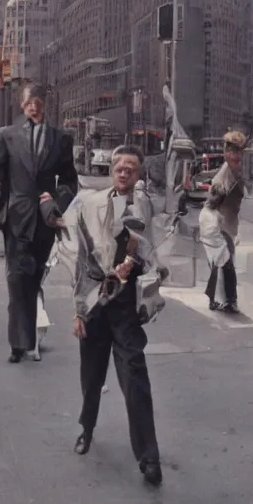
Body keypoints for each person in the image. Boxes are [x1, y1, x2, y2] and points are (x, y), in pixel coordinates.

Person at [70, 146, 163, 486]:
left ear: (139, 174)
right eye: (119, 168)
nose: (124, 173)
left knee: (135, 378)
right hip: (95, 301)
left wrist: (134, 264)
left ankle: (149, 456)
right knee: (91, 377)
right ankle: (86, 428)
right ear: (112, 170)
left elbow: (150, 255)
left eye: (131, 169)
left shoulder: (144, 207)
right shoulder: (90, 204)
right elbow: (80, 261)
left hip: (124, 304)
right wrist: (79, 310)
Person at [0, 83, 78, 362]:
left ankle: (31, 338)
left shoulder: (61, 138)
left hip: (45, 219)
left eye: (38, 101)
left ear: (45, 105)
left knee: (34, 279)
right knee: (16, 280)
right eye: (29, 102)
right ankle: (19, 344)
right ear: (22, 105)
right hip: (16, 217)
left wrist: (57, 201)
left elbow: (71, 180)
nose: (34, 106)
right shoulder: (8, 135)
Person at [199, 129, 247, 314]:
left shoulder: (237, 171)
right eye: (233, 151)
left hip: (229, 224)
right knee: (224, 263)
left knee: (221, 263)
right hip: (218, 224)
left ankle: (218, 299)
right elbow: (211, 203)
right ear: (226, 153)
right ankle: (229, 300)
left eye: (240, 151)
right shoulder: (223, 176)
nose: (237, 155)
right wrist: (217, 194)